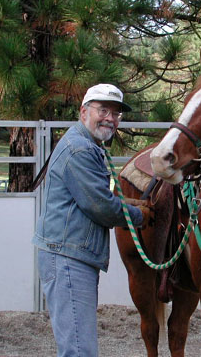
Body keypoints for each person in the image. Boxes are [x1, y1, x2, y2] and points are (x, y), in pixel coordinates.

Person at [32, 83, 151, 357]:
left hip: (69, 255)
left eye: (117, 113)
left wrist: (131, 202)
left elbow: (94, 196)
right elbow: (100, 207)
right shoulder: (81, 150)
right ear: (84, 111)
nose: (110, 118)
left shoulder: (86, 144)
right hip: (68, 259)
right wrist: (139, 215)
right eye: (104, 110)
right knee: (79, 350)